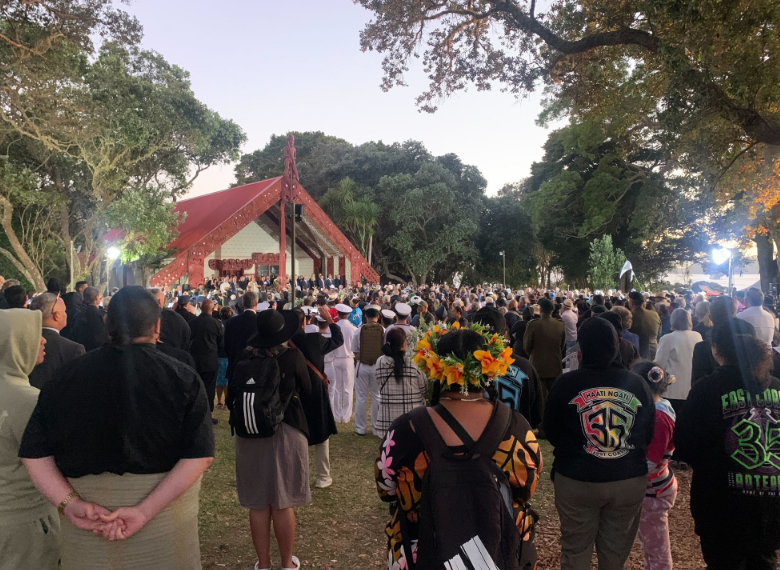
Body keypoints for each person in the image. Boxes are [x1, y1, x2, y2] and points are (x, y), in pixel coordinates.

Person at [19, 286, 214, 570]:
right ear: (157, 326)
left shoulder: (65, 377)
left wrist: (70, 504)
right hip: (163, 520)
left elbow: (33, 454)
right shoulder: (181, 376)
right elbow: (200, 455)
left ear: (107, 324)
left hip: (89, 525)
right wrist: (143, 512)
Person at [377, 328, 541, 569]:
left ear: (435, 369)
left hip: (420, 554)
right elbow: (527, 489)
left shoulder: (406, 429)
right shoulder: (516, 427)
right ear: (489, 369)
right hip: (498, 554)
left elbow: (386, 490)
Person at [543, 317, 655, 570]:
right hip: (627, 477)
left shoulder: (565, 384)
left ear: (581, 349)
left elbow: (550, 431)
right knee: (615, 555)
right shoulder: (637, 384)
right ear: (616, 345)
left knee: (575, 551)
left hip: (576, 479)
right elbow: (648, 433)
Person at [675, 322, 780, 570]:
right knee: (765, 560)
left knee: (723, 561)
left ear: (718, 351)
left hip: (721, 502)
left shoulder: (707, 389)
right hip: (772, 500)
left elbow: (686, 445)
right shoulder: (777, 387)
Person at [228, 309, 311, 570]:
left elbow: (233, 393)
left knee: (258, 503)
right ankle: (287, 563)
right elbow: (307, 389)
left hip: (249, 431)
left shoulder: (244, 357)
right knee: (283, 501)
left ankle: (263, 564)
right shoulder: (293, 356)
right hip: (287, 429)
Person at [0, 309, 60, 570]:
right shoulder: (27, 400)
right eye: (35, 334)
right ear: (16, 342)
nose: (44, 340)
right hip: (24, 524)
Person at [631, 362, 678, 570]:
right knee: (650, 543)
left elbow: (651, 460)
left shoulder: (659, 416)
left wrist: (627, 473)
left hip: (654, 490)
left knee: (657, 549)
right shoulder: (659, 409)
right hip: (654, 486)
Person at [290, 306, 342, 489]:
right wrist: (329, 320)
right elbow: (338, 339)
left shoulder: (283, 342)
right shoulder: (315, 339)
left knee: (295, 434)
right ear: (304, 322)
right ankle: (323, 476)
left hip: (292, 392)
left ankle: (297, 477)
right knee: (321, 433)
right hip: (315, 391)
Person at [374, 327, 427, 439]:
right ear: (404, 344)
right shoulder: (414, 363)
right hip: (412, 419)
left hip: (387, 420)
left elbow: (379, 384)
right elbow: (424, 388)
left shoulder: (380, 362)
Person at [28, 292, 86, 390]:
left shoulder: (21, 341)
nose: (66, 315)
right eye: (64, 311)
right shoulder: (73, 349)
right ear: (57, 315)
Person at [654, 308, 702, 417]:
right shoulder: (697, 336)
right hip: (692, 387)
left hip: (673, 389)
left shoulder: (667, 338)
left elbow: (659, 364)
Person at [189, 298, 224, 422]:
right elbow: (221, 343)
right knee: (209, 388)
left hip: (195, 360)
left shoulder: (193, 323)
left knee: (195, 387)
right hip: (210, 360)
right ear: (212, 309)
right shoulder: (216, 324)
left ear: (201, 308)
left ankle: (194, 413)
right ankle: (207, 416)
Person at [523, 297, 565, 401]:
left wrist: (534, 355)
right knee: (555, 398)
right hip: (555, 365)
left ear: (541, 310)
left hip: (538, 366)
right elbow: (562, 345)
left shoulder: (533, 325)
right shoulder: (560, 325)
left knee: (540, 400)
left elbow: (526, 346)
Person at [352, 304, 384, 436]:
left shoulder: (359, 330)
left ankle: (360, 428)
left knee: (361, 398)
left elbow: (354, 350)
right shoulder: (383, 330)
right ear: (378, 316)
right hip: (378, 366)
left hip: (362, 365)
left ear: (365, 316)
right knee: (377, 396)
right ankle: (376, 428)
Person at [331, 303, 358, 424]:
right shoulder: (353, 328)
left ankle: (336, 415)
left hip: (335, 358)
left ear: (338, 314)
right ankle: (345, 416)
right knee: (348, 388)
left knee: (337, 388)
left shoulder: (334, 327)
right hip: (348, 359)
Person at [224, 291, 259, 382]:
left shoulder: (231, 322)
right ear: (256, 304)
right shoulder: (260, 322)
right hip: (256, 369)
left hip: (235, 367)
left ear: (243, 304)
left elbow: (227, 346)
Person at [71, 286, 109, 351]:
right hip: (100, 353)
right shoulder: (103, 316)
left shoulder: (77, 316)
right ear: (97, 298)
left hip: (82, 353)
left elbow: (73, 336)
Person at [628, 290, 661, 359]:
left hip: (638, 351)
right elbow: (659, 332)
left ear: (631, 302)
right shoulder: (654, 314)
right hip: (654, 349)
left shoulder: (630, 316)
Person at [215, 306, 234, 409]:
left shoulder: (218, 324)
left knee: (219, 379)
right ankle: (227, 401)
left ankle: (219, 401)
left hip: (218, 353)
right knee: (227, 380)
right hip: (228, 354)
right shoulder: (233, 324)